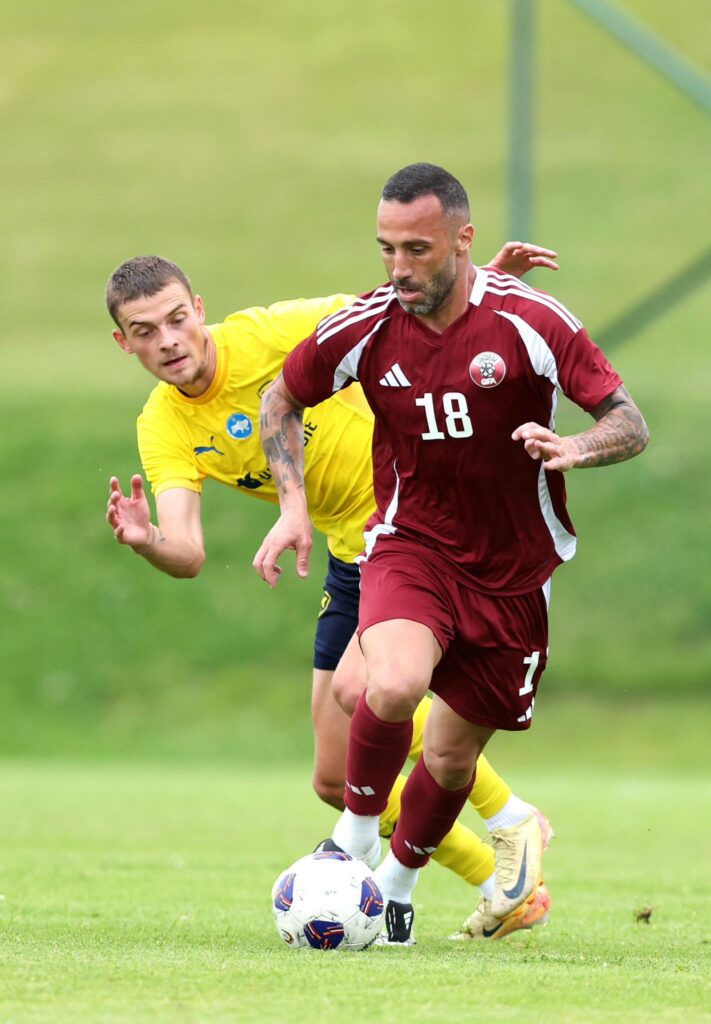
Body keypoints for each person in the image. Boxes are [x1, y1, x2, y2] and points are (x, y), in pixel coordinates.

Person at [105, 241, 560, 942]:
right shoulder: (162, 423)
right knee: (334, 776)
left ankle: (507, 822)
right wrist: (147, 542)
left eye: (174, 320)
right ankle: (502, 881)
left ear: (199, 310)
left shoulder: (276, 331)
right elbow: (188, 552)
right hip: (351, 555)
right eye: (144, 332)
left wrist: (484, 286)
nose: (167, 342)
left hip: (413, 526)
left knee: (365, 691)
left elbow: (400, 312)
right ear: (123, 343)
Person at [254, 162, 649, 946]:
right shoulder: (367, 325)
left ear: (462, 241)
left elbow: (627, 421)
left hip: (514, 574)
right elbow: (281, 397)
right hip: (412, 543)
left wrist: (575, 444)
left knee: (449, 754)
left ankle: (394, 891)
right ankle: (354, 845)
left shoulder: (530, 322)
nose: (398, 269)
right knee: (390, 683)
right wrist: (292, 503)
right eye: (386, 249)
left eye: (417, 250)